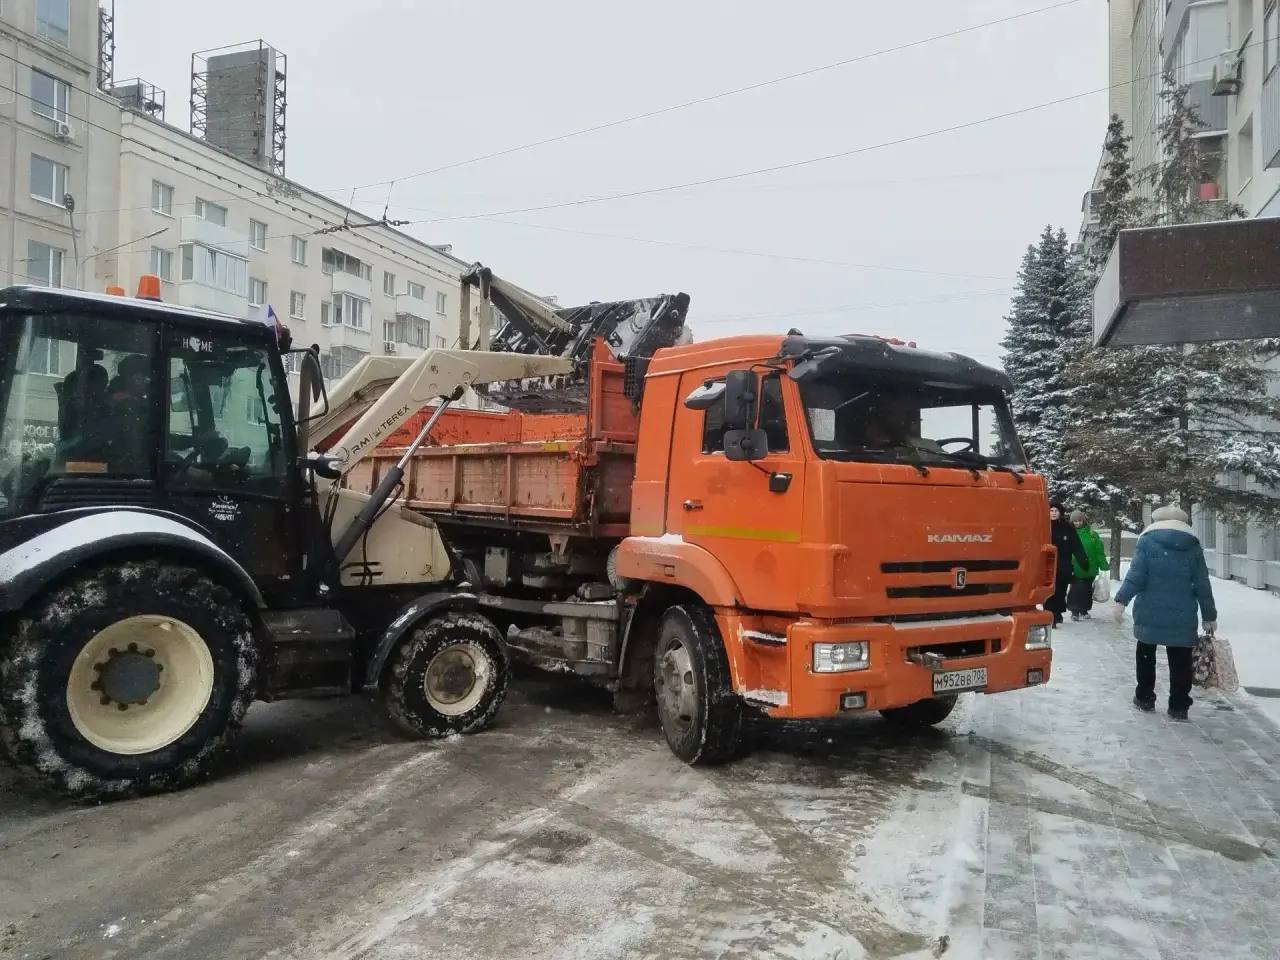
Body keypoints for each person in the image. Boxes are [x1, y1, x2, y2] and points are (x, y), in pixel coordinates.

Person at [1112, 505, 1217, 721]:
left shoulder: (1147, 541)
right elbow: (1202, 583)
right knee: (1180, 661)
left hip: (1149, 610)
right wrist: (1209, 615)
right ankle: (1179, 705)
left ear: (1156, 521)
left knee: (1145, 655)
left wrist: (1121, 600)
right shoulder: (1193, 545)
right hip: (1182, 614)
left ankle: (1144, 697)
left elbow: (1136, 575)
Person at [1046, 502, 1087, 627]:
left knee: (1060, 591)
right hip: (1046, 565)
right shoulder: (1043, 526)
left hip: (1063, 565)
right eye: (1051, 510)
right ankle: (1050, 615)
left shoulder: (1067, 527)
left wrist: (1083, 560)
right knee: (1049, 591)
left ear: (1060, 513)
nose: (1053, 513)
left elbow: (1077, 545)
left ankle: (1057, 613)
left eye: (1056, 511)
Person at [1067, 510, 1108, 620]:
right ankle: (1074, 611)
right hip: (1075, 567)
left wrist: (1103, 564)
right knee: (1075, 589)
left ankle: (1084, 610)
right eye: (1075, 521)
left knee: (1087, 589)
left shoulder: (1092, 534)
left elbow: (1099, 551)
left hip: (1091, 567)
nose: (1077, 523)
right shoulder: (1069, 534)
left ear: (1084, 521)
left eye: (1079, 520)